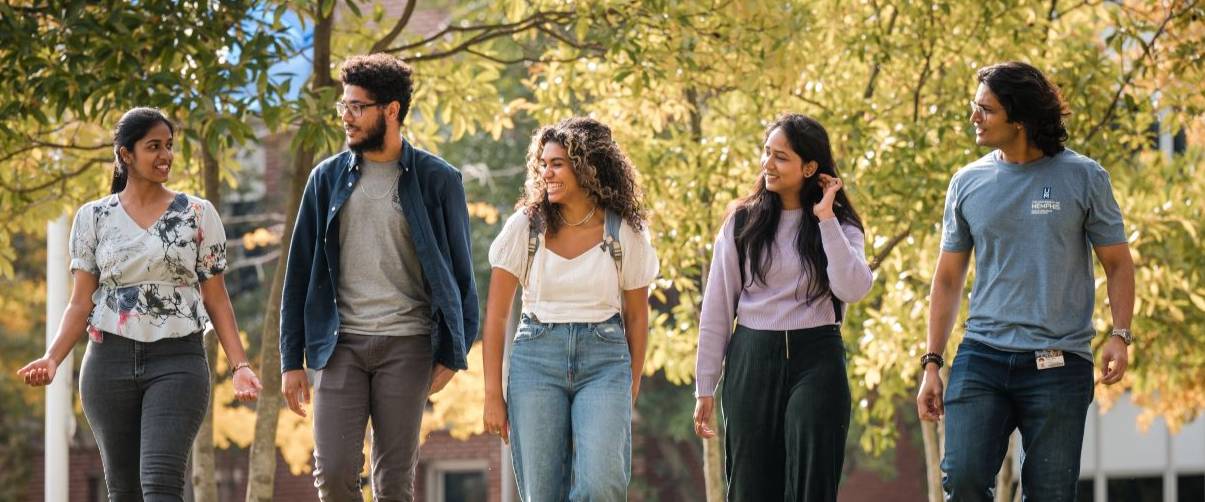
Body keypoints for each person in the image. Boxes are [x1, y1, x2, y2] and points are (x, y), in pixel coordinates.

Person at [916, 61, 1135, 501]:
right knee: (961, 478)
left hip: (1059, 363)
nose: (974, 118)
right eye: (975, 107)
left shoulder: (1084, 177)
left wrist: (1120, 334)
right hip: (983, 357)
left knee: (1050, 494)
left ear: (1020, 119)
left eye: (986, 110)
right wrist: (933, 363)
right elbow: (947, 279)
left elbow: (1117, 263)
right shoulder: (967, 182)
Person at [17, 107, 261, 500]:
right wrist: (52, 358)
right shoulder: (93, 218)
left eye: (168, 146)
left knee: (161, 484)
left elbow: (216, 297)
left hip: (177, 361)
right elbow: (80, 303)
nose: (165, 155)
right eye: (153, 147)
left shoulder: (197, 214)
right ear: (125, 154)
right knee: (123, 491)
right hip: (108, 363)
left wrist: (241, 365)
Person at [278, 53, 479, 502]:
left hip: (407, 344)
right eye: (343, 106)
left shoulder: (438, 180)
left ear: (391, 110)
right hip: (338, 344)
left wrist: (456, 349)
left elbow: (462, 275)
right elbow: (298, 275)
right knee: (332, 475)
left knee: (393, 484)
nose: (346, 117)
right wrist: (292, 360)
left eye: (357, 107)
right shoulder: (325, 180)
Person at [692, 113, 872, 502]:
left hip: (817, 357)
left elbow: (854, 288)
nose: (767, 165)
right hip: (752, 357)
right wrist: (705, 384)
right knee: (750, 487)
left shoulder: (840, 223)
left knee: (812, 485)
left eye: (781, 157)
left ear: (810, 167)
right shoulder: (743, 222)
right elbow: (718, 307)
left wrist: (825, 219)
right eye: (766, 153)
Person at [481, 117, 659, 501]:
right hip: (535, 359)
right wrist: (493, 394)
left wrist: (631, 383)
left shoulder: (624, 231)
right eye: (543, 164)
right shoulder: (525, 228)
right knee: (542, 493)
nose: (547, 172)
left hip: (605, 360)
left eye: (557, 163)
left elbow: (637, 317)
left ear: (587, 166)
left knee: (602, 485)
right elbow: (495, 317)